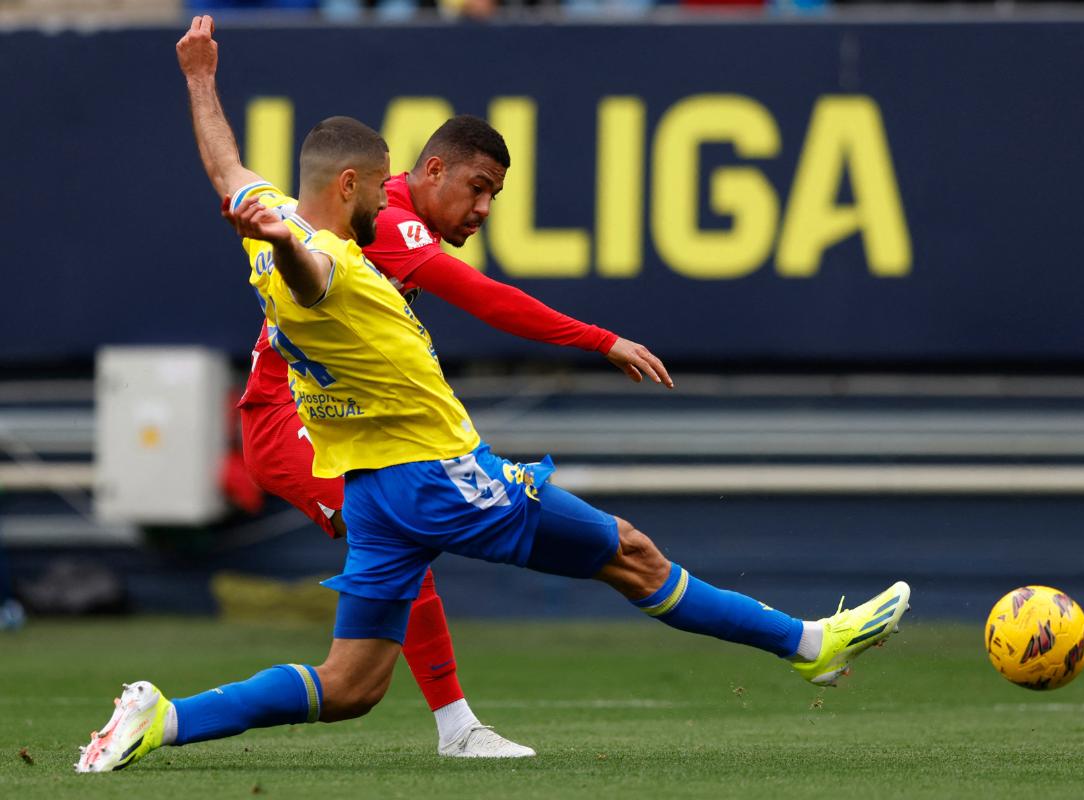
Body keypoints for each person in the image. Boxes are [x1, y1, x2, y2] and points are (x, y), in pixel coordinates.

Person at [75, 16, 909, 774]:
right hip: (437, 477)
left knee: (354, 683)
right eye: (383, 183)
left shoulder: (274, 219)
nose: (391, 191)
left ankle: (165, 720)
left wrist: (199, 79)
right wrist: (284, 245)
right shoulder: (324, 259)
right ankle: (808, 644)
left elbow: (227, 166)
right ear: (353, 188)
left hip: (374, 491)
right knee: (630, 552)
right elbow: (317, 270)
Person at [232, 100, 669, 764]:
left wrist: (201, 79)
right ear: (430, 171)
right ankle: (456, 728)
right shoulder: (389, 225)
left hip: (331, 417)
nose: (485, 208)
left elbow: (225, 168)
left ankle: (446, 724)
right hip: (287, 422)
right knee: (402, 544)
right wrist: (600, 339)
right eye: (479, 188)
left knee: (380, 615)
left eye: (494, 193)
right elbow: (485, 297)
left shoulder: (384, 212)